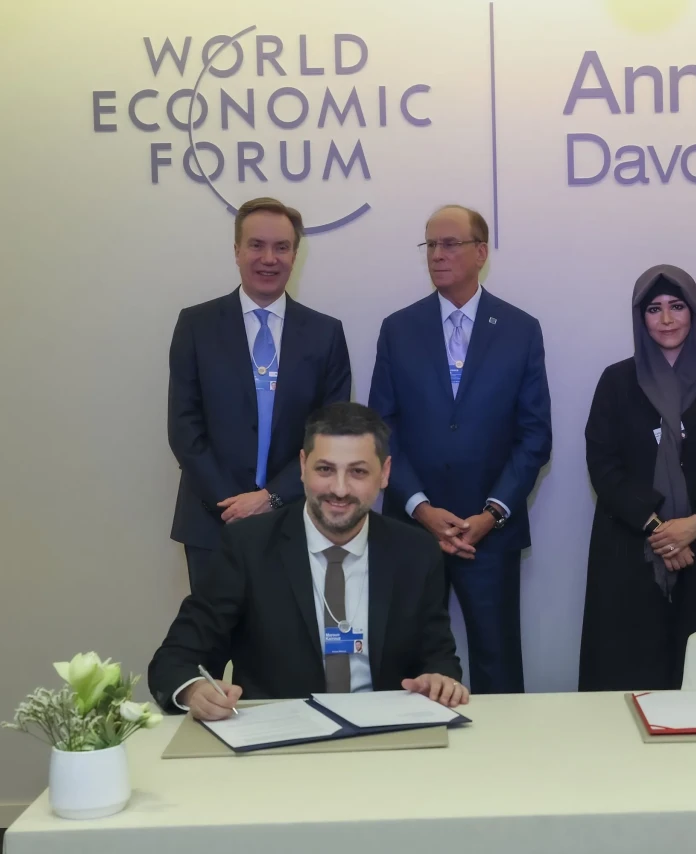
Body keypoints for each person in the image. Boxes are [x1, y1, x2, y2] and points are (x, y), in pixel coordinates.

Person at [149, 402, 467, 720]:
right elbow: (176, 659)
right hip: (280, 736)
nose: (339, 489)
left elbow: (438, 657)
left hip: (387, 733)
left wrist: (440, 681)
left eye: (358, 472)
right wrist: (194, 691)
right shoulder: (248, 546)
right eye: (325, 469)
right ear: (303, 466)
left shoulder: (416, 551)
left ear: (384, 473)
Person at [368, 205, 552, 694]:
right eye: (430, 245)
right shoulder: (398, 328)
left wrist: (492, 513)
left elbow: (535, 435)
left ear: (481, 252)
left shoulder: (519, 329)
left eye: (450, 244)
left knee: (498, 667)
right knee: (403, 665)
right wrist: (420, 507)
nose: (437, 254)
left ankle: (503, 747)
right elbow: (381, 430)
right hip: (411, 530)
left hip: (489, 533)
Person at [580, 265, 696, 691]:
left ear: (694, 312)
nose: (666, 319)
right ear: (639, 317)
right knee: (628, 682)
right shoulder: (616, 381)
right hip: (632, 550)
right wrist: (660, 531)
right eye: (654, 309)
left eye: (677, 306)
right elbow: (603, 466)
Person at [167, 197, 352, 591]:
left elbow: (330, 436)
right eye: (256, 245)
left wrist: (272, 498)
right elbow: (184, 428)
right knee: (216, 630)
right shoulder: (196, 326)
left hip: (296, 521)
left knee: (287, 631)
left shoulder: (326, 334)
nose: (269, 258)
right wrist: (232, 505)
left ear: (295, 255)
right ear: (237, 250)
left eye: (281, 247)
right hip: (211, 523)